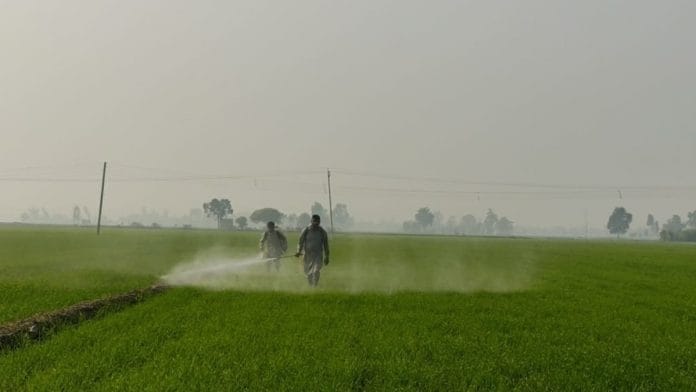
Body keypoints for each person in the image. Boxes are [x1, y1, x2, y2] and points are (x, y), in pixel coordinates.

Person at [295, 214, 330, 287]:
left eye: (317, 222)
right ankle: (311, 285)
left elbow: (326, 245)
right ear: (311, 221)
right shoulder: (306, 230)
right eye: (314, 221)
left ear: (319, 222)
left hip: (318, 255)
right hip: (307, 254)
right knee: (308, 272)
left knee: (316, 270)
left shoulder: (322, 232)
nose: (316, 223)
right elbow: (300, 242)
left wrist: (327, 256)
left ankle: (315, 286)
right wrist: (299, 251)